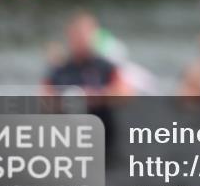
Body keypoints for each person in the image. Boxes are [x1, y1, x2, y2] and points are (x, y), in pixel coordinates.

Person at [41, 11, 134, 151]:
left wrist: (95, 96)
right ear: (70, 36)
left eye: (86, 34)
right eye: (78, 34)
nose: (83, 39)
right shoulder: (59, 70)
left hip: (105, 139)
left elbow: (126, 93)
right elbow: (43, 98)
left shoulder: (105, 67)